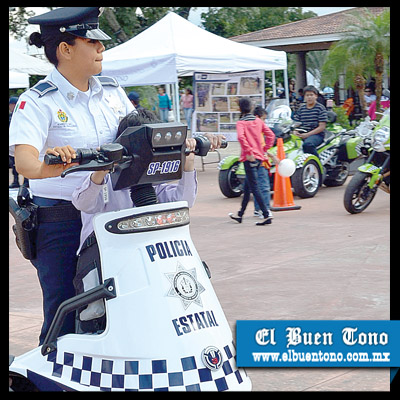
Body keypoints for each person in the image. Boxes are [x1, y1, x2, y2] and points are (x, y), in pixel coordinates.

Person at [8, 7, 134, 345]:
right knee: (66, 307)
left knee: (117, 305)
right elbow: (26, 164)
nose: (101, 49)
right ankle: (49, 376)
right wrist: (70, 164)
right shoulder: (37, 102)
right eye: (92, 42)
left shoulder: (112, 91)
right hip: (60, 221)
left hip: (112, 213)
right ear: (65, 49)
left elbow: (138, 135)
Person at [71, 109, 198, 331]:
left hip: (147, 257)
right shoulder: (107, 175)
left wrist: (187, 166)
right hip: (103, 258)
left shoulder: (156, 175)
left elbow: (183, 201)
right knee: (97, 314)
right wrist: (100, 171)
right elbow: (84, 203)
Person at [229, 97, 275, 226]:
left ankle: (266, 214)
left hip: (249, 158)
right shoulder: (258, 121)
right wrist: (264, 149)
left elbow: (240, 137)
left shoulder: (241, 123)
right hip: (259, 157)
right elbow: (270, 135)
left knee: (254, 187)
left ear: (240, 109)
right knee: (248, 186)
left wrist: (249, 152)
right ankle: (240, 214)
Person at [292, 85, 328, 159]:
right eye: (307, 95)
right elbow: (296, 123)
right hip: (302, 133)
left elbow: (322, 127)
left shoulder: (320, 108)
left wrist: (307, 135)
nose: (309, 97)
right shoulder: (301, 108)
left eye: (311, 95)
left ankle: (318, 164)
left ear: (316, 96)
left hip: (317, 135)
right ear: (304, 97)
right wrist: (295, 131)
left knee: (308, 144)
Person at [252, 106, 274, 219]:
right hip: (260, 161)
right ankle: (265, 209)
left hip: (250, 161)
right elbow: (271, 136)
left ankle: (258, 209)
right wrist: (268, 153)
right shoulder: (259, 131)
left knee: (256, 186)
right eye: (263, 119)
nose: (264, 122)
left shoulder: (250, 129)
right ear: (257, 117)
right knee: (264, 186)